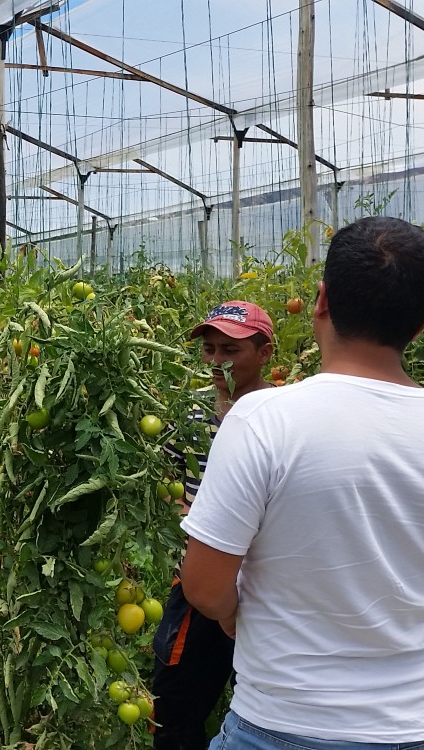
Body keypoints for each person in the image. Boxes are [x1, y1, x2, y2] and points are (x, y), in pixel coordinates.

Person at [180, 216, 424, 749]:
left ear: (321, 299)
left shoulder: (262, 419)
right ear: (423, 322)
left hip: (285, 721)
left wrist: (241, 612)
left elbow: (205, 586)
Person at [152, 301, 274, 750]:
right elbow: (165, 480)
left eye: (230, 350)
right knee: (175, 698)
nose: (217, 361)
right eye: (209, 350)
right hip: (201, 574)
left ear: (264, 353)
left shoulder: (282, 413)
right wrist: (177, 510)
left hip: (266, 580)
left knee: (262, 696)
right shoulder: (188, 412)